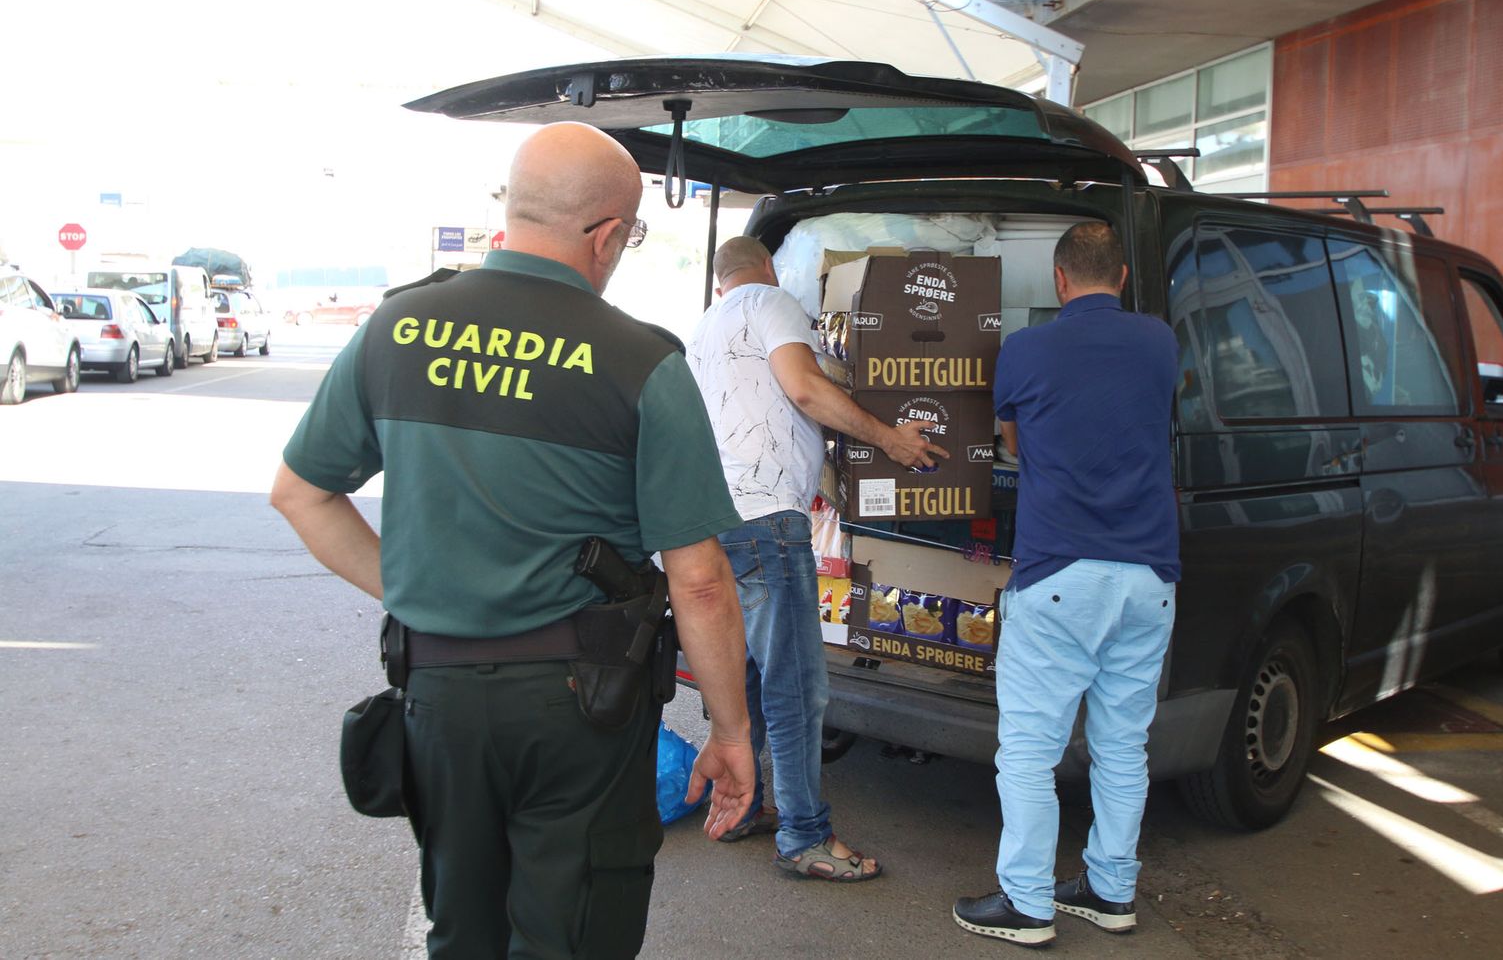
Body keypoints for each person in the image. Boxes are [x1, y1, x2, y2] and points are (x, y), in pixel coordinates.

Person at [270, 123, 756, 959]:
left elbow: (301, 494)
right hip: (581, 707)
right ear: (606, 235)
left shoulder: (398, 327)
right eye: (629, 236)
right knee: (573, 933)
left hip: (438, 695)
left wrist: (418, 591)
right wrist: (731, 730)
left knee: (463, 928)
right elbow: (699, 580)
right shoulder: (640, 361)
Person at [684, 235, 945, 882]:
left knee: (743, 675)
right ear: (766, 270)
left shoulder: (703, 329)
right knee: (796, 683)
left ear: (719, 282)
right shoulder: (770, 302)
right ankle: (805, 835)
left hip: (714, 517)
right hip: (768, 519)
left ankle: (741, 807)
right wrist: (889, 438)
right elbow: (803, 389)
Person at [953, 221, 1180, 948]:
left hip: (1060, 576)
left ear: (1058, 281)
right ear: (1119, 277)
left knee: (1028, 750)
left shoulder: (1025, 350)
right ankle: (1111, 892)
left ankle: (1027, 903)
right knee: (1122, 748)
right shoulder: (1160, 343)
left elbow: (1015, 442)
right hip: (1151, 578)